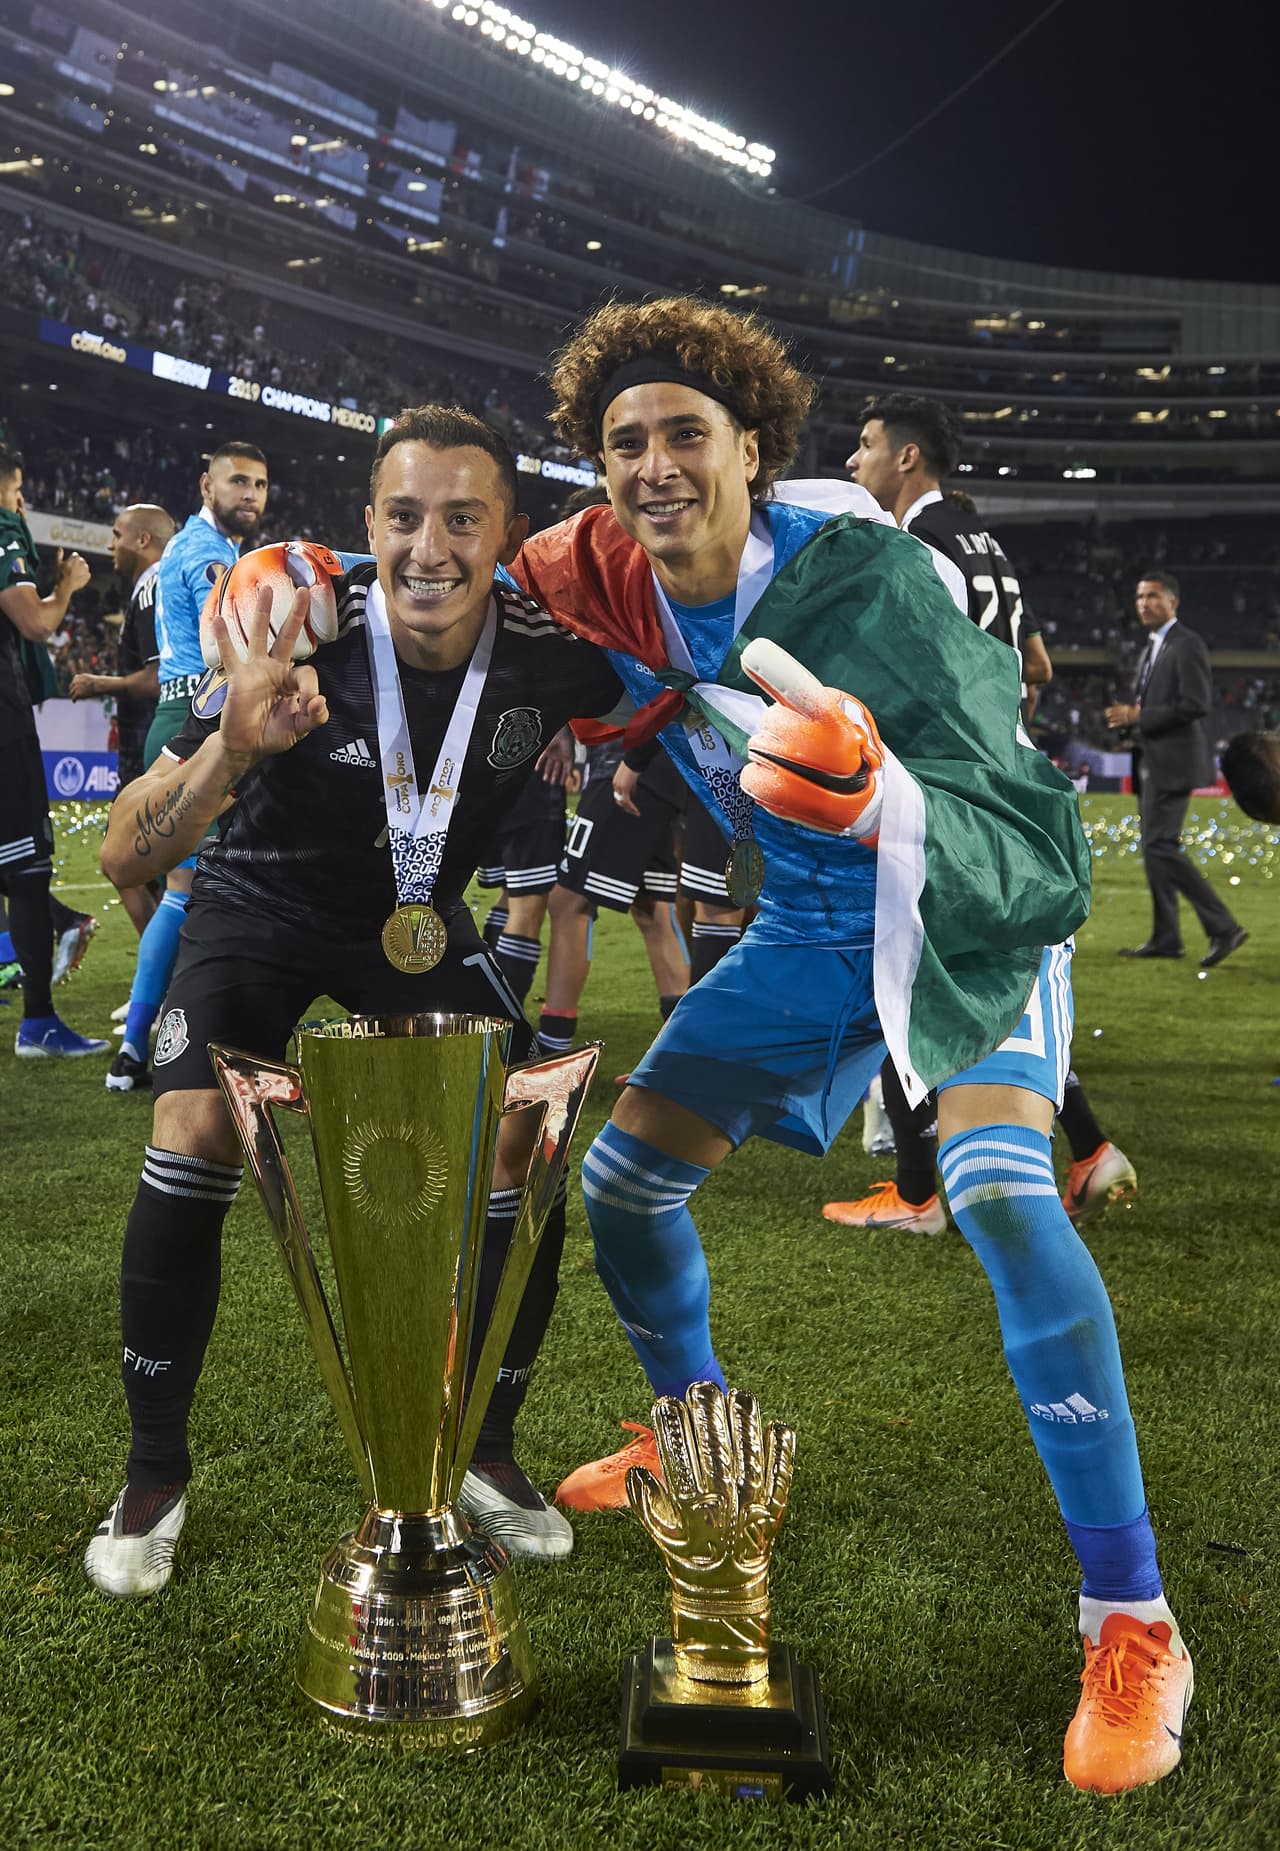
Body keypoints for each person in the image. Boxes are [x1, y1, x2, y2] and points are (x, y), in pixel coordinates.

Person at [512, 299, 1190, 1795]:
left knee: (1008, 1197)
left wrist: (885, 793)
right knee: (624, 1184)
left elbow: (1041, 843)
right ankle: (696, 1444)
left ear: (754, 449)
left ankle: (1132, 1617)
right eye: (624, 443)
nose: (654, 465)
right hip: (800, 934)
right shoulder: (598, 571)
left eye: (687, 434)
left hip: (957, 912)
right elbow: (478, 594)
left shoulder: (866, 577)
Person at [84, 405, 623, 1599]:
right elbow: (129, 852)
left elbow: (675, 650)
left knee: (526, 1128)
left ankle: (485, 1449)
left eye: (460, 519)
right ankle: (153, 1472)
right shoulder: (288, 624)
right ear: (366, 523)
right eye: (401, 517)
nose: (427, 549)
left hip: (412, 921)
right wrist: (232, 744)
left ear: (507, 533)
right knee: (196, 1124)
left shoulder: (557, 654)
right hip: (256, 908)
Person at [828, 395, 1136, 1233]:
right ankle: (1088, 1148)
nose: (854, 462)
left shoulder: (914, 544)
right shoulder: (986, 543)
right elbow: (1032, 661)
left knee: (904, 965)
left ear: (908, 458)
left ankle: (918, 1191)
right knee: (986, 975)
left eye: (864, 445)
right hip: (1011, 778)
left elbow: (919, 672)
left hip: (950, 786)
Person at [107, 444, 270, 1093]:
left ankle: (133, 1048)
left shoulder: (188, 550)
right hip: (201, 721)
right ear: (207, 484)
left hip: (177, 717)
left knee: (186, 890)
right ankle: (187, 1033)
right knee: (192, 893)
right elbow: (230, 649)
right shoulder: (210, 555)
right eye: (238, 481)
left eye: (259, 484)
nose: (250, 493)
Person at [0, 439, 108, 1058]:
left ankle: (64, 919)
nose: (22, 503)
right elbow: (36, 624)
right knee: (26, 863)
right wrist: (64, 587)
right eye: (18, 493)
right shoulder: (4, 528)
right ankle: (38, 1022)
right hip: (3, 723)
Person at [1106, 571, 1248, 967]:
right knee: (1155, 851)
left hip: (1175, 762)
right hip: (1153, 759)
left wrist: (1139, 714)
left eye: (1152, 596)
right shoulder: (1154, 645)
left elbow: (1196, 703)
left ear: (1173, 602)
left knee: (1160, 846)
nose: (1144, 604)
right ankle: (1167, 937)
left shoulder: (1186, 644)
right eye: (1139, 596)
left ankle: (1224, 927)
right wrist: (1133, 722)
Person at [70, 503, 175, 944]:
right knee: (151, 873)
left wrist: (100, 683)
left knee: (122, 864)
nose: (111, 545)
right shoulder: (153, 587)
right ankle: (166, 978)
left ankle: (167, 980)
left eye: (117, 534)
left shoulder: (153, 585)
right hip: (149, 746)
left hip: (153, 749)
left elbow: (155, 677)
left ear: (142, 540)